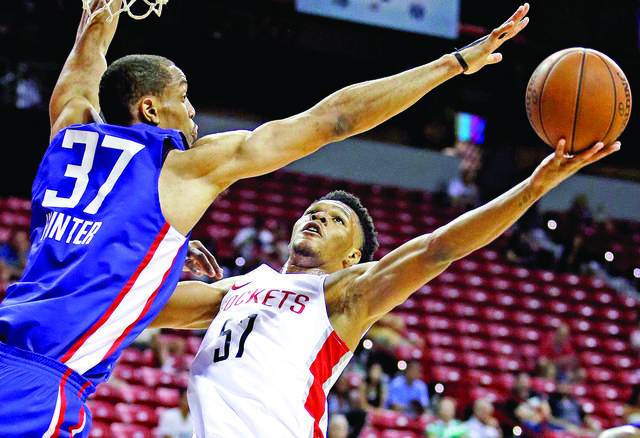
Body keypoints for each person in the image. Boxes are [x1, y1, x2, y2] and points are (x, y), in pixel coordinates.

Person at [0, 1, 533, 436]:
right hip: (43, 379)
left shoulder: (67, 135)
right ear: (150, 111)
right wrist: (455, 63)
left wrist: (98, 20)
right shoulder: (183, 166)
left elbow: (77, 82)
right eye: (182, 97)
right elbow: (335, 119)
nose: (192, 111)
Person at [149, 116, 621, 438]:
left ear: (353, 255)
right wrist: (164, 258)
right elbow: (134, 308)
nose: (316, 219)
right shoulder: (233, 290)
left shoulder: (344, 294)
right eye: (312, 212)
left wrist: (534, 187)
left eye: (335, 220)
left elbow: (440, 249)